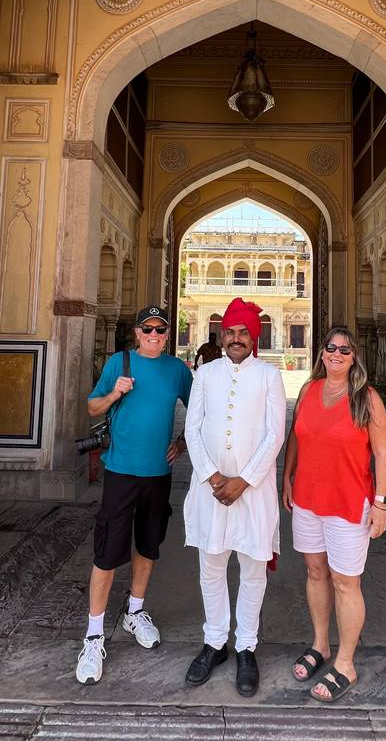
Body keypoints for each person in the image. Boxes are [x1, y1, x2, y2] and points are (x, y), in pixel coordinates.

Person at [75, 305, 193, 685]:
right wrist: (114, 393)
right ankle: (94, 635)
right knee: (108, 551)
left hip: (158, 474)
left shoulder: (177, 370)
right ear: (138, 333)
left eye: (161, 329)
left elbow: (201, 411)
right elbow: (92, 405)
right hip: (120, 472)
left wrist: (184, 441)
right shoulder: (119, 363)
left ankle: (135, 612)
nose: (155, 335)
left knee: (148, 546)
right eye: (148, 329)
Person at [282, 326, 386, 703]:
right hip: (309, 500)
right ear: (322, 352)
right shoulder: (309, 391)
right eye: (331, 347)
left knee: (347, 582)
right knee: (315, 571)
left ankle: (345, 663)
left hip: (348, 504)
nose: (337, 354)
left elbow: (382, 454)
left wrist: (380, 503)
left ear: (354, 356)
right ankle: (320, 646)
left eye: (345, 350)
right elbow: (296, 437)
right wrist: (287, 477)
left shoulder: (367, 398)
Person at [183, 297, 286, 697]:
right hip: (210, 491)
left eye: (244, 332)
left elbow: (274, 435)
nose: (236, 338)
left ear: (253, 336)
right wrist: (212, 477)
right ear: (221, 335)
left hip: (252, 492)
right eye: (230, 332)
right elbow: (193, 429)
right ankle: (214, 643)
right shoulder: (206, 375)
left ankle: (246, 647)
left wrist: (242, 480)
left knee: (252, 569)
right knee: (211, 566)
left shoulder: (268, 375)